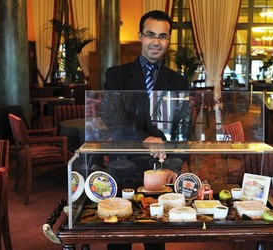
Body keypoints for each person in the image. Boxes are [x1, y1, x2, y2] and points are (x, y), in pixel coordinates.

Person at [104, 10, 188, 250]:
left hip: (159, 170)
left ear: (168, 40)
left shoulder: (179, 81)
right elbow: (111, 116)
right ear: (140, 36)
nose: (156, 41)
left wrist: (174, 165)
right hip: (123, 165)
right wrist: (145, 138)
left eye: (162, 36)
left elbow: (183, 131)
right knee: (119, 237)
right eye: (151, 34)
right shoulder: (116, 75)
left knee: (155, 237)